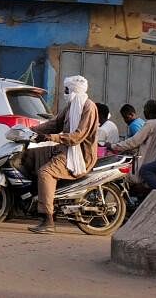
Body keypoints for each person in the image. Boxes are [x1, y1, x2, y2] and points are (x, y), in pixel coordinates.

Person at [20, 75, 98, 234]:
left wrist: (51, 137)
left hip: (78, 156)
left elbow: (77, 137)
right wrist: (28, 131)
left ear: (73, 90)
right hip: (63, 149)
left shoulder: (88, 107)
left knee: (45, 172)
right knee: (28, 156)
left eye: (66, 89)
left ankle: (48, 219)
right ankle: (38, 198)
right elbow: (54, 124)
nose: (64, 92)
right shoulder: (71, 106)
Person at [110, 100, 156, 192]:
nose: (144, 112)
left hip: (149, 159)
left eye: (145, 109)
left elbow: (134, 142)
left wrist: (113, 146)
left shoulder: (150, 125)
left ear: (148, 111)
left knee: (130, 176)